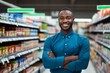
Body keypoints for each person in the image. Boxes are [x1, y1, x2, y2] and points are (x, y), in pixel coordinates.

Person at [42, 8, 90, 73]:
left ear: (73, 19)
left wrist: (56, 63)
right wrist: (72, 58)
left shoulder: (83, 40)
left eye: (68, 18)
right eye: (61, 18)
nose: (65, 21)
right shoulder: (49, 40)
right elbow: (46, 63)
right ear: (58, 20)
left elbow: (83, 64)